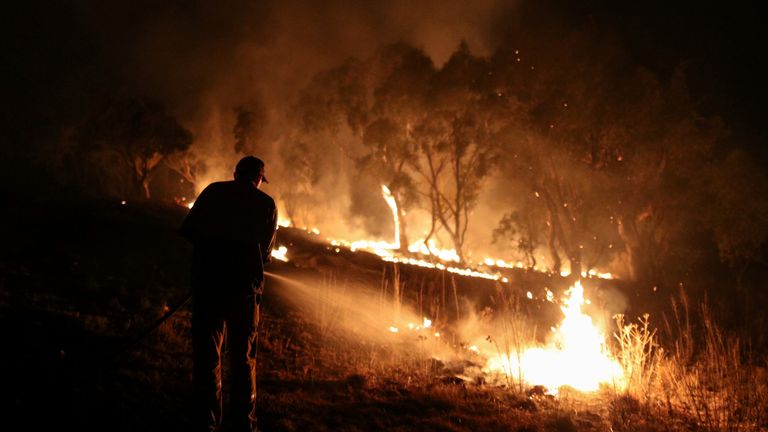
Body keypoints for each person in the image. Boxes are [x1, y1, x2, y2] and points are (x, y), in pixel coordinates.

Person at [180, 156, 277, 432]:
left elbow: (190, 232)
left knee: (207, 356)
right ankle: (243, 425)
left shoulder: (213, 191)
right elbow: (266, 254)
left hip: (208, 286)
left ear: (235, 174)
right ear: (258, 178)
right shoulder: (265, 204)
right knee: (243, 359)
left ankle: (206, 422)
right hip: (244, 293)